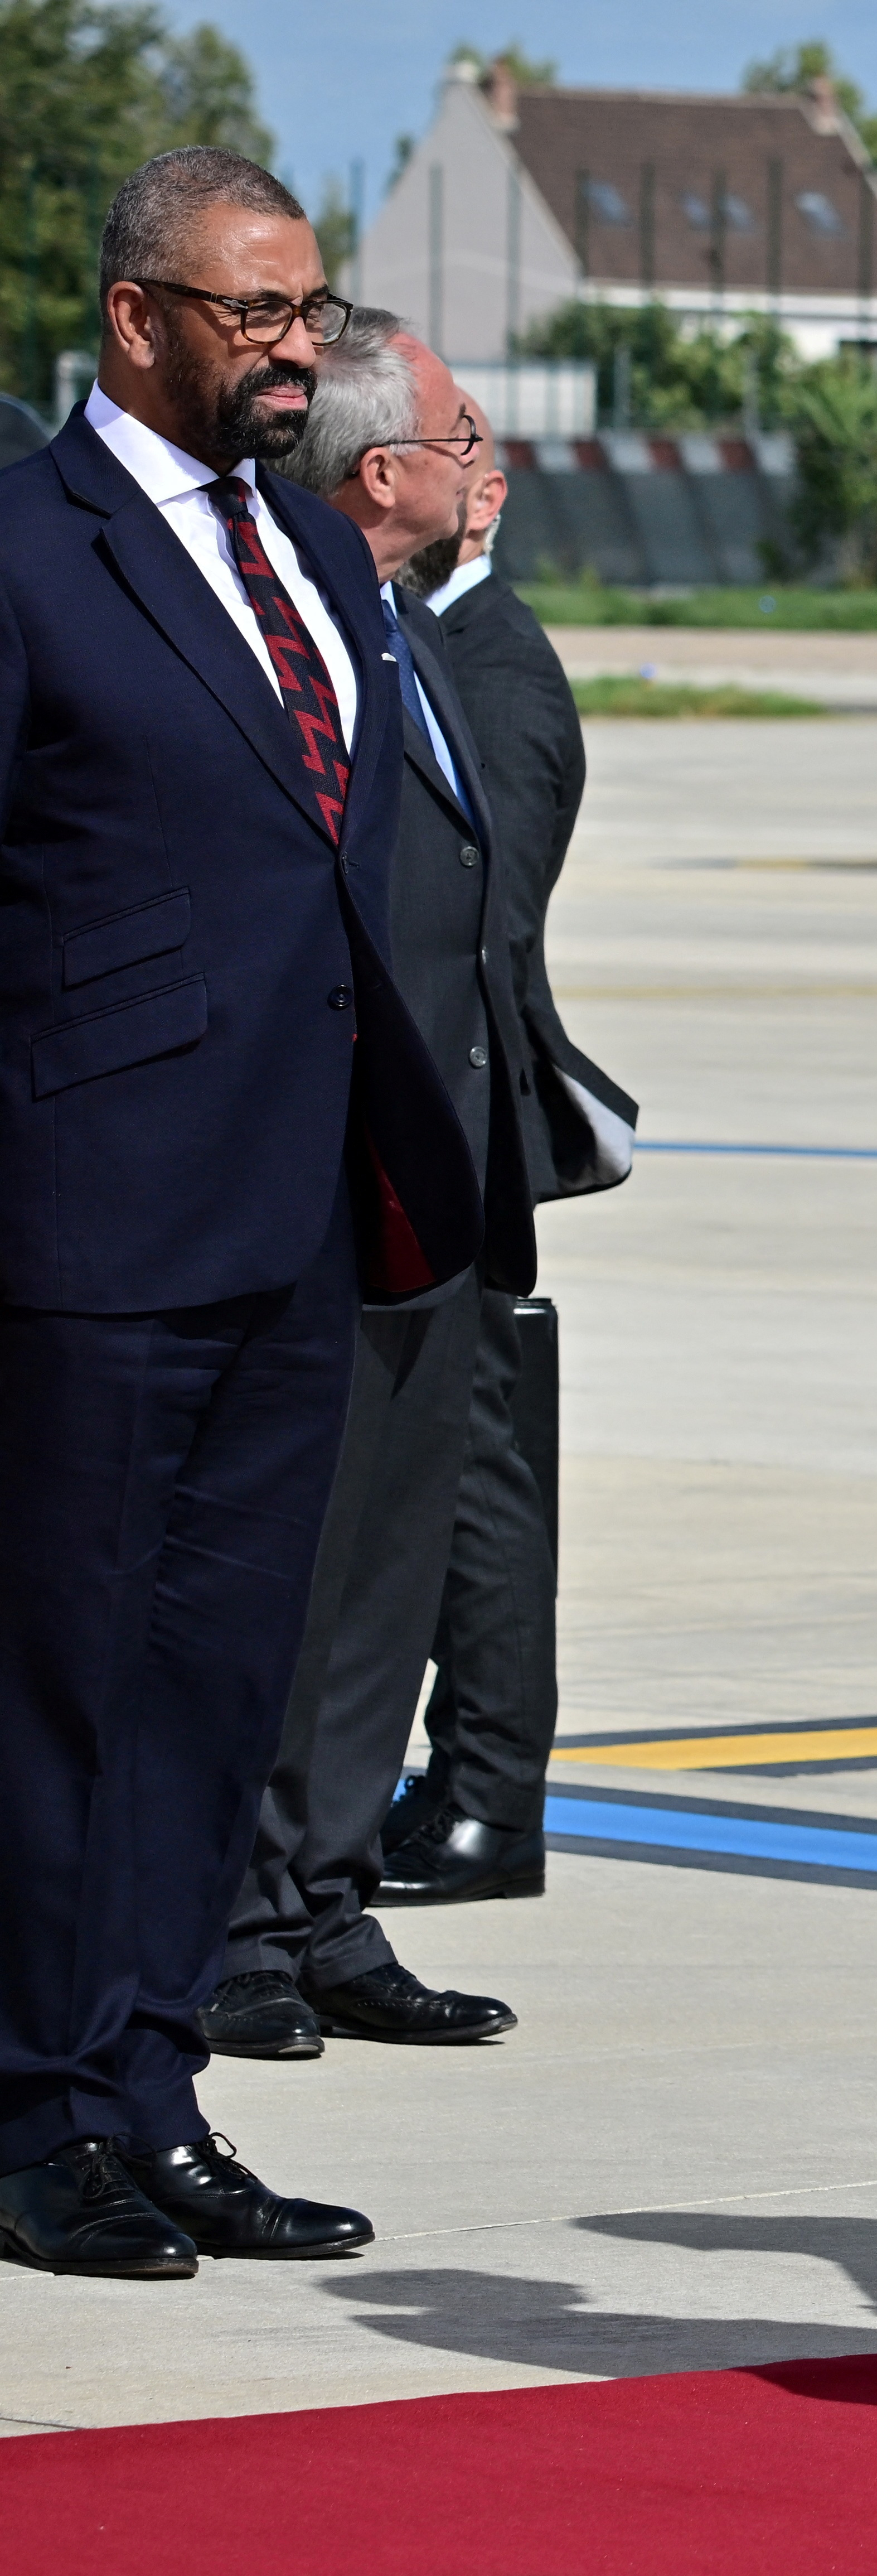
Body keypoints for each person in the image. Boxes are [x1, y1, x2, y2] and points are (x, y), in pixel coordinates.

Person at [0, 148, 478, 2278]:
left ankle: (150, 2083)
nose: (297, 347)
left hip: (297, 1200)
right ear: (136, 320)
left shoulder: (307, 544)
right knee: (57, 1688)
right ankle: (29, 2109)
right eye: (256, 313)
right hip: (86, 1222)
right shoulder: (29, 544)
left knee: (213, 1680)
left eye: (309, 310)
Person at [206, 316, 529, 2060]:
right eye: (461, 432)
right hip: (315, 1170)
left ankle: (330, 1904)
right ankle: (244, 1926)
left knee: (392, 1567)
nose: (489, 463)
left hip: (433, 1172)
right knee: (301, 1564)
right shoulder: (293, 631)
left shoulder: (401, 629)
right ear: (382, 470)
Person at [381, 426, 642, 1908]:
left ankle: (486, 1797)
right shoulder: (429, 642)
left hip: (459, 1147)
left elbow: (487, 922)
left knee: (481, 1483)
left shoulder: (491, 665)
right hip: (431, 1146)